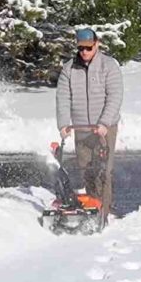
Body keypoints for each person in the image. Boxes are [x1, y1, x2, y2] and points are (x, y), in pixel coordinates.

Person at [55, 28, 124, 223]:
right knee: (86, 170)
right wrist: (63, 124)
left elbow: (115, 97)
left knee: (104, 170)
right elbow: (62, 97)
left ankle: (104, 212)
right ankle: (93, 207)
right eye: (81, 48)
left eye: (88, 47)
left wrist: (104, 123)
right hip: (81, 127)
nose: (84, 52)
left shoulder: (109, 66)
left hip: (105, 127)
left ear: (96, 44)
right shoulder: (69, 68)